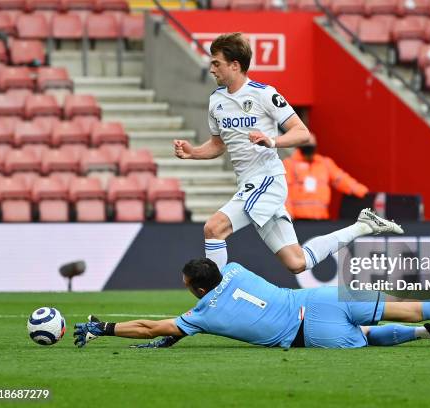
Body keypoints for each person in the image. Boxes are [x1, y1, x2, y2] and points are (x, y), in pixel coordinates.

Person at [172, 32, 403, 275]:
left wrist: (272, 141)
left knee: (213, 229)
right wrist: (193, 153)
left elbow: (301, 133)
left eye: (216, 63)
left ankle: (214, 299)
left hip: (267, 180)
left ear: (235, 65)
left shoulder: (264, 94)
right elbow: (218, 145)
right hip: (249, 185)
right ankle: (363, 226)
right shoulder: (216, 100)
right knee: (297, 262)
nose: (211, 69)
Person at [73, 259, 430, 349]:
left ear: (195, 288)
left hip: (309, 333)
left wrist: (104, 328)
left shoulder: (202, 314)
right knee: (414, 305)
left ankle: (424, 335)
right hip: (320, 296)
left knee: (371, 340)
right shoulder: (234, 270)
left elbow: (154, 327)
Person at [283, 133, 369, 220]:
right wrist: (288, 216)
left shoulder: (325, 163)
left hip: (321, 218)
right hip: (298, 219)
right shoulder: (290, 164)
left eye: (311, 146)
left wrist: (362, 191)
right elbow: (285, 192)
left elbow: (341, 179)